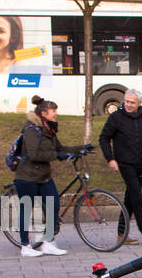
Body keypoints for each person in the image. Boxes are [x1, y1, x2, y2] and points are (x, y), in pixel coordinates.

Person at [13, 94, 89, 257]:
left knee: (53, 205)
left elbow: (61, 148)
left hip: (43, 177)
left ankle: (47, 243)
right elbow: (34, 154)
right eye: (53, 111)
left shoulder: (49, 130)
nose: (56, 113)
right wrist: (56, 155)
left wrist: (81, 149)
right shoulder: (31, 129)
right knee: (26, 210)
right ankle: (25, 246)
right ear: (44, 114)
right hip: (27, 177)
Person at [100, 88, 142, 247]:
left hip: (141, 164)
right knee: (137, 197)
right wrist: (110, 159)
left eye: (132, 102)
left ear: (139, 104)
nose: (128, 104)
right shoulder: (116, 117)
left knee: (130, 200)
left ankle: (122, 235)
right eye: (126, 101)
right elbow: (104, 138)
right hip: (124, 163)